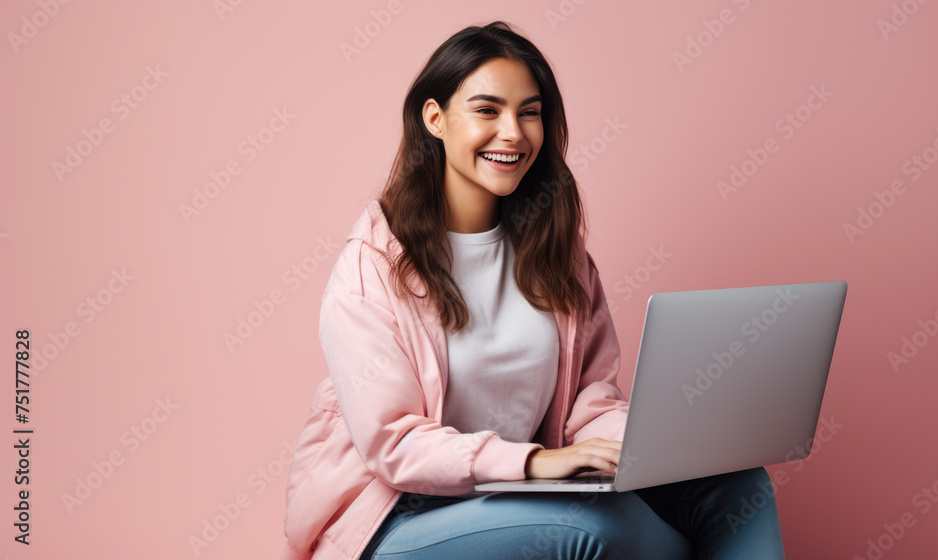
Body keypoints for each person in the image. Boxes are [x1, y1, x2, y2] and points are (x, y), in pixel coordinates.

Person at [279, 21, 785, 560]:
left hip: (520, 494)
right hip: (396, 516)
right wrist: (534, 463)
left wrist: (654, 447)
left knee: (738, 487)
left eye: (529, 111)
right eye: (486, 110)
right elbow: (395, 443)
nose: (513, 133)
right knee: (592, 527)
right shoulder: (372, 266)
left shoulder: (558, 255)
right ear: (435, 119)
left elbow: (590, 404)